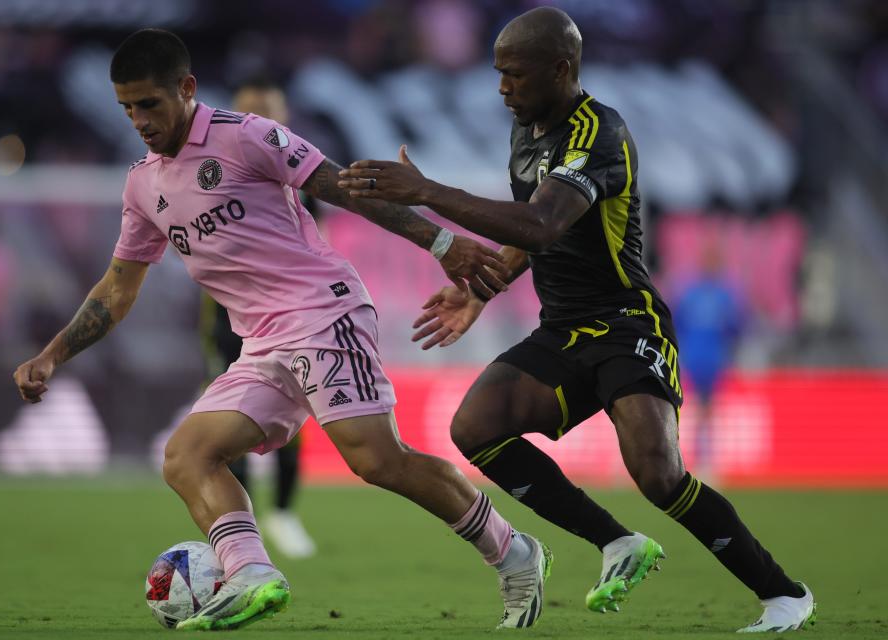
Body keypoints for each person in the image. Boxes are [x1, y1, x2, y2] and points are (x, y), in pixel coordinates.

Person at [12, 29, 551, 632]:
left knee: (376, 460)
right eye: (127, 108)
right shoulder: (143, 186)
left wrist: (443, 242)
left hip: (324, 311)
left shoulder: (246, 136)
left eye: (150, 104)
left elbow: (344, 188)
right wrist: (53, 356)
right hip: (260, 342)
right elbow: (117, 289)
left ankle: (514, 551)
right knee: (187, 457)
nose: (139, 119)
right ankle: (252, 574)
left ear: (186, 89)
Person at [338, 7, 815, 633]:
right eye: (497, 74)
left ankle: (784, 595)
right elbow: (527, 233)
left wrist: (426, 190)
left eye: (514, 74)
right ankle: (617, 543)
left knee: (658, 474)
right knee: (476, 427)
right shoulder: (527, 129)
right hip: (563, 329)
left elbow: (543, 223)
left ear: (560, 69)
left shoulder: (599, 134)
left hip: (626, 324)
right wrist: (484, 289)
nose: (503, 88)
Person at [199, 76, 316, 559]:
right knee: (231, 426)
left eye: (267, 112)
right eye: (249, 112)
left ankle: (284, 514)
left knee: (292, 423)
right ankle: (243, 525)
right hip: (231, 325)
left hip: (294, 321)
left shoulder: (302, 181)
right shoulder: (213, 178)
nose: (259, 122)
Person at [674, 245, 745, 476]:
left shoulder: (725, 296)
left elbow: (736, 329)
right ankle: (674, 457)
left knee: (707, 412)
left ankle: (705, 460)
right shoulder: (691, 293)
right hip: (690, 360)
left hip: (713, 362)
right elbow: (677, 325)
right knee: (678, 410)